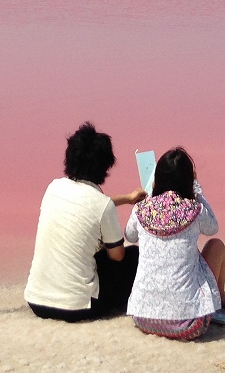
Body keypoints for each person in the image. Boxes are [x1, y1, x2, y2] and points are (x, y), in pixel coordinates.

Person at [124, 146, 225, 340]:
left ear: (156, 179)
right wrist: (197, 190)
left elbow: (130, 236)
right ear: (189, 181)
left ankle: (219, 296)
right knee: (216, 245)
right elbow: (213, 228)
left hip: (143, 317)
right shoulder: (194, 209)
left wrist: (150, 196)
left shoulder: (141, 209)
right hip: (189, 324)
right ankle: (220, 295)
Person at [25, 122, 146, 321]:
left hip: (36, 300)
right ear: (106, 166)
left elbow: (86, 208)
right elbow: (117, 257)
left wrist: (127, 198)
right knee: (133, 255)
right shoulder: (102, 205)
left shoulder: (53, 188)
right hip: (76, 307)